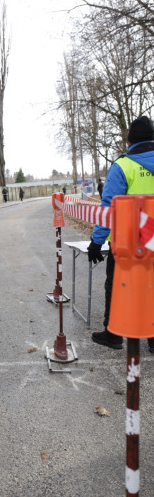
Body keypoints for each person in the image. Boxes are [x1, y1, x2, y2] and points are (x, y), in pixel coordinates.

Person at [87, 116, 154, 352]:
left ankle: (113, 334)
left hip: (127, 243)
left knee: (116, 286)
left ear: (130, 141)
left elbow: (109, 208)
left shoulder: (122, 166)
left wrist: (96, 242)